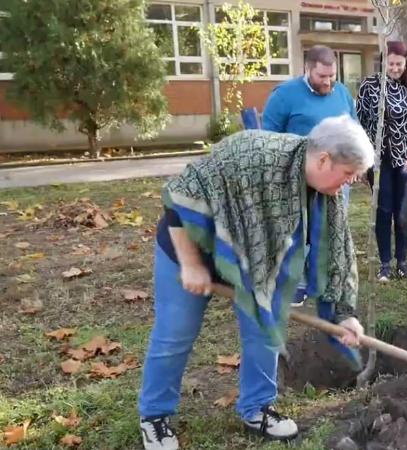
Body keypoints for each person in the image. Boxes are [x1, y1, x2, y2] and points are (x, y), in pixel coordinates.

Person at [137, 116, 372, 450]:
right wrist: (190, 264)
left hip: (258, 263)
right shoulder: (252, 154)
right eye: (348, 174)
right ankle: (155, 417)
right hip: (193, 247)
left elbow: (337, 252)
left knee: (264, 331)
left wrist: (344, 314)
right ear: (324, 160)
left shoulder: (325, 192)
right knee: (175, 334)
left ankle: (257, 408)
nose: (348, 183)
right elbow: (178, 195)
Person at [262, 45, 358, 305]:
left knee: (329, 230)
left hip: (336, 179)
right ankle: (296, 284)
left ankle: (322, 282)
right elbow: (267, 138)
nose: (328, 82)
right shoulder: (284, 96)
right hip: (298, 179)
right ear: (307, 69)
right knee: (297, 232)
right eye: (321, 77)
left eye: (332, 76)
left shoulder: (343, 94)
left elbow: (354, 131)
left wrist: (355, 166)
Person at [357, 41, 407, 281]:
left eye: (399, 64)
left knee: (403, 211)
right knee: (384, 210)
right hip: (381, 159)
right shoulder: (370, 86)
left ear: (406, 63)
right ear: (383, 61)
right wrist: (364, 161)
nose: (395, 68)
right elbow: (361, 123)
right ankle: (385, 263)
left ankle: (403, 261)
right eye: (391, 63)